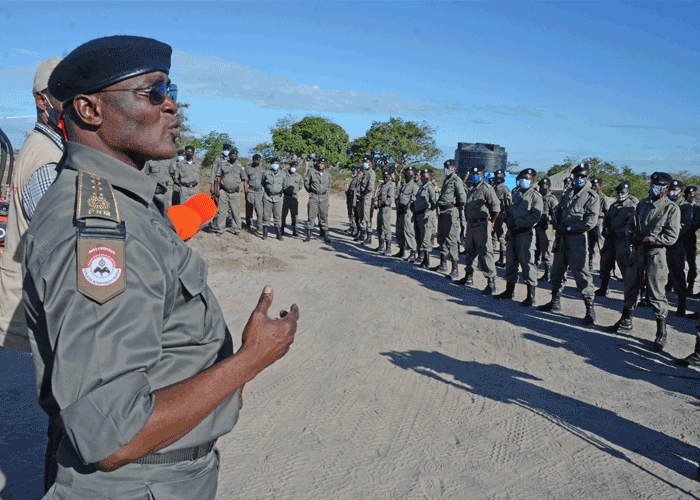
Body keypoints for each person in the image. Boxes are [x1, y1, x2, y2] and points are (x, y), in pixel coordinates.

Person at [26, 35, 299, 499]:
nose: (172, 107)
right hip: (138, 483)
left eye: (171, 92)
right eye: (153, 93)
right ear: (90, 110)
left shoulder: (126, 202)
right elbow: (113, 436)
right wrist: (250, 360)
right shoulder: (99, 231)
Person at [0, 57, 64, 354]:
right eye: (66, 92)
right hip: (27, 325)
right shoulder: (47, 160)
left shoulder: (47, 148)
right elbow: (62, 249)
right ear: (42, 100)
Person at [606, 172, 680, 351]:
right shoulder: (643, 204)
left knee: (656, 294)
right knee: (630, 287)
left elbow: (671, 237)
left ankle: (661, 333)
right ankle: (625, 322)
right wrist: (631, 235)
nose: (655, 188)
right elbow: (631, 223)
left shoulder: (671, 208)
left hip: (655, 255)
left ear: (666, 188)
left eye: (659, 186)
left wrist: (649, 239)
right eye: (653, 184)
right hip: (637, 253)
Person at [538, 164, 601, 325]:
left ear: (587, 177)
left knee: (581, 275)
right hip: (562, 238)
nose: (579, 179)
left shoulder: (592, 196)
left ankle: (590, 310)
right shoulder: (568, 194)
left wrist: (569, 227)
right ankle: (555, 302)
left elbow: (590, 222)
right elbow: (559, 210)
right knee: (557, 271)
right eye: (576, 176)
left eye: (582, 176)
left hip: (577, 240)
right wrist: (556, 223)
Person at [494, 169, 543, 306]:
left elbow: (535, 217)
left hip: (525, 234)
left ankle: (530, 296)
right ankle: (509, 291)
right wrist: (506, 218)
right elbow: (509, 210)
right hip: (512, 233)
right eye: (522, 178)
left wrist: (518, 223)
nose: (523, 180)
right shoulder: (516, 193)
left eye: (526, 178)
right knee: (511, 264)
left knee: (527, 265)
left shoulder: (535, 196)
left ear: (532, 180)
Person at [459, 165, 500, 295]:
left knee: (485, 253)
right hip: (471, 225)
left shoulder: (487, 189)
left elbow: (496, 209)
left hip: (482, 225)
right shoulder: (471, 189)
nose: (475, 175)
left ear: (484, 173)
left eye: (478, 173)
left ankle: (491, 283)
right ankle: (468, 277)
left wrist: (492, 222)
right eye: (473, 173)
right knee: (470, 251)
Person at [595, 181, 638, 297]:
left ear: (628, 192)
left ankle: (629, 293)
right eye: (618, 193)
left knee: (625, 267)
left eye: (622, 192)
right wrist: (605, 229)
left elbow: (632, 224)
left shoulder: (632, 205)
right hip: (610, 240)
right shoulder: (614, 205)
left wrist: (622, 233)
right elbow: (607, 219)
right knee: (605, 264)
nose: (620, 195)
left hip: (623, 240)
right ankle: (603, 288)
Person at [432, 160, 467, 280]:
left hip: (451, 213)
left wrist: (453, 207)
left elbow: (463, 200)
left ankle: (455, 269)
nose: (446, 169)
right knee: (442, 238)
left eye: (448, 167)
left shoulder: (457, 181)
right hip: (442, 212)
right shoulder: (447, 180)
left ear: (454, 168)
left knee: (451, 240)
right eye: (445, 167)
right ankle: (442, 265)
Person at [665, 180, 694, 317]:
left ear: (680, 191)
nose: (672, 192)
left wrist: (668, 234)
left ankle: (681, 305)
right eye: (671, 189)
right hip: (661, 243)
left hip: (677, 244)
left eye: (675, 190)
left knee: (677, 274)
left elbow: (684, 226)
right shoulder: (665, 202)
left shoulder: (685, 207)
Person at [213, 150, 247, 236]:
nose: (233, 158)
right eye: (231, 156)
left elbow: (244, 178)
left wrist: (239, 186)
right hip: (224, 191)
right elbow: (218, 176)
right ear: (229, 156)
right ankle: (220, 229)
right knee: (221, 211)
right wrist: (217, 189)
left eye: (234, 156)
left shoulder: (240, 166)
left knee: (236, 212)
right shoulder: (223, 163)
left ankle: (236, 229)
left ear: (237, 157)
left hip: (235, 193)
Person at [535, 177, 558, 283]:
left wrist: (549, 219)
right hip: (537, 227)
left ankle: (548, 273)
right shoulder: (538, 197)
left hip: (546, 228)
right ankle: (533, 272)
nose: (541, 188)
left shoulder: (552, 199)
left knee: (546, 252)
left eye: (543, 186)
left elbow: (556, 215)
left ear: (548, 186)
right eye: (540, 187)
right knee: (536, 251)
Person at [413, 170, 438, 269]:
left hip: (426, 215)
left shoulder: (430, 187)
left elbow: (434, 202)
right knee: (419, 237)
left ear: (429, 177)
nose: (423, 178)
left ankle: (426, 260)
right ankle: (421, 257)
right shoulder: (421, 187)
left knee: (426, 238)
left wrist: (428, 212)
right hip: (418, 214)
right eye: (422, 176)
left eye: (425, 177)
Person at [304, 157, 332, 243]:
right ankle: (308, 235)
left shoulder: (327, 174)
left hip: (324, 197)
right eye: (320, 163)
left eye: (323, 164)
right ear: (317, 164)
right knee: (311, 216)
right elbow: (306, 183)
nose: (321, 165)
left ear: (325, 165)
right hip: (314, 197)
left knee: (324, 216)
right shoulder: (312, 172)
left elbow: (329, 184)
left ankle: (326, 236)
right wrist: (311, 191)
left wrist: (323, 191)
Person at [395, 167, 419, 261]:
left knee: (408, 231)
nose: (407, 174)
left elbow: (414, 199)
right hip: (400, 210)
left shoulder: (414, 186)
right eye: (406, 172)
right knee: (399, 231)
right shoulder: (404, 185)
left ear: (413, 174)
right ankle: (401, 250)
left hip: (408, 211)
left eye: (409, 173)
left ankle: (413, 252)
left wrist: (407, 207)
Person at [261, 157, 288, 240]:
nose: (275, 165)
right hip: (267, 197)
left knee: (278, 216)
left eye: (276, 163)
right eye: (273, 163)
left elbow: (285, 185)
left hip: (278, 197)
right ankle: (265, 233)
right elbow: (262, 183)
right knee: (266, 215)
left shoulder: (283, 174)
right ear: (271, 164)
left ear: (279, 164)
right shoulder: (266, 173)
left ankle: (278, 234)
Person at [207, 144, 232, 233]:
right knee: (216, 203)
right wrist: (212, 185)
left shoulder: (232, 159)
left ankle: (229, 223)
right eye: (225, 149)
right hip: (218, 184)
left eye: (228, 149)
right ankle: (215, 224)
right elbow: (213, 171)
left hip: (227, 185)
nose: (227, 151)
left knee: (228, 205)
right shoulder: (218, 159)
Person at [587, 178, 608, 272]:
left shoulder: (603, 198)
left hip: (600, 222)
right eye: (592, 186)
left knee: (601, 245)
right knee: (589, 245)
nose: (594, 188)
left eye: (596, 186)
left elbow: (607, 212)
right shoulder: (589, 196)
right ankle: (589, 264)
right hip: (591, 222)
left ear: (600, 187)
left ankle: (604, 267)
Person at [491, 169, 511, 268]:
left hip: (502, 214)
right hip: (495, 214)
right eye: (496, 175)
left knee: (502, 237)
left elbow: (508, 204)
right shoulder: (494, 188)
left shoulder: (504, 189)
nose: (498, 176)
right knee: (494, 235)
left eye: (500, 175)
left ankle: (503, 258)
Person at [374, 169, 395, 255]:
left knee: (386, 228)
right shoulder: (383, 185)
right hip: (380, 209)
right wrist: (377, 200)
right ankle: (381, 246)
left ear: (390, 177)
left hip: (385, 209)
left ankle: (388, 248)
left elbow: (390, 200)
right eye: (384, 176)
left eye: (387, 176)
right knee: (379, 228)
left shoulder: (390, 186)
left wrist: (380, 204)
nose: (385, 178)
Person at [355, 156, 376, 244]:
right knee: (361, 216)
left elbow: (369, 188)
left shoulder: (371, 173)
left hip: (367, 197)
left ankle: (369, 237)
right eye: (364, 162)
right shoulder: (365, 173)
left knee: (367, 218)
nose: (365, 163)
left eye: (366, 162)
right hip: (362, 197)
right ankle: (362, 235)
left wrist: (362, 195)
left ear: (370, 163)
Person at [684, 186, 699, 295]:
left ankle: (691, 285)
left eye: (692, 194)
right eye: (689, 194)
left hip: (690, 237)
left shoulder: (697, 208)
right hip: (679, 237)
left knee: (691, 263)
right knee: (675, 262)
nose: (691, 196)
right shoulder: (681, 206)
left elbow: (696, 224)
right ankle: (671, 283)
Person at [244, 154, 265, 233]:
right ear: (253, 160)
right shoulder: (248, 169)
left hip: (259, 192)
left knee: (259, 210)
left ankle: (259, 226)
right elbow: (245, 182)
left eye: (258, 160)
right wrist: (246, 194)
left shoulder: (263, 170)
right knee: (249, 209)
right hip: (251, 191)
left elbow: (265, 182)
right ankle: (249, 225)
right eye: (255, 160)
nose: (257, 161)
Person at [282, 161, 303, 237]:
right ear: (290, 167)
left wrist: (295, 191)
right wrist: (285, 189)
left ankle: (295, 229)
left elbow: (300, 186)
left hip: (294, 196)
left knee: (294, 214)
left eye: (295, 167)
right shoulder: (284, 175)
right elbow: (281, 184)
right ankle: (282, 228)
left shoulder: (299, 176)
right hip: (285, 196)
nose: (294, 168)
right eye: (292, 166)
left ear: (297, 168)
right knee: (283, 213)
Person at [345, 166, 359, 235]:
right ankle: (351, 227)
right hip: (350, 198)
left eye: (354, 171)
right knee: (350, 213)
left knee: (353, 214)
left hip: (353, 198)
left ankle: (354, 228)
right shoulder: (354, 179)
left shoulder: (357, 179)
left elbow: (356, 190)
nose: (353, 173)